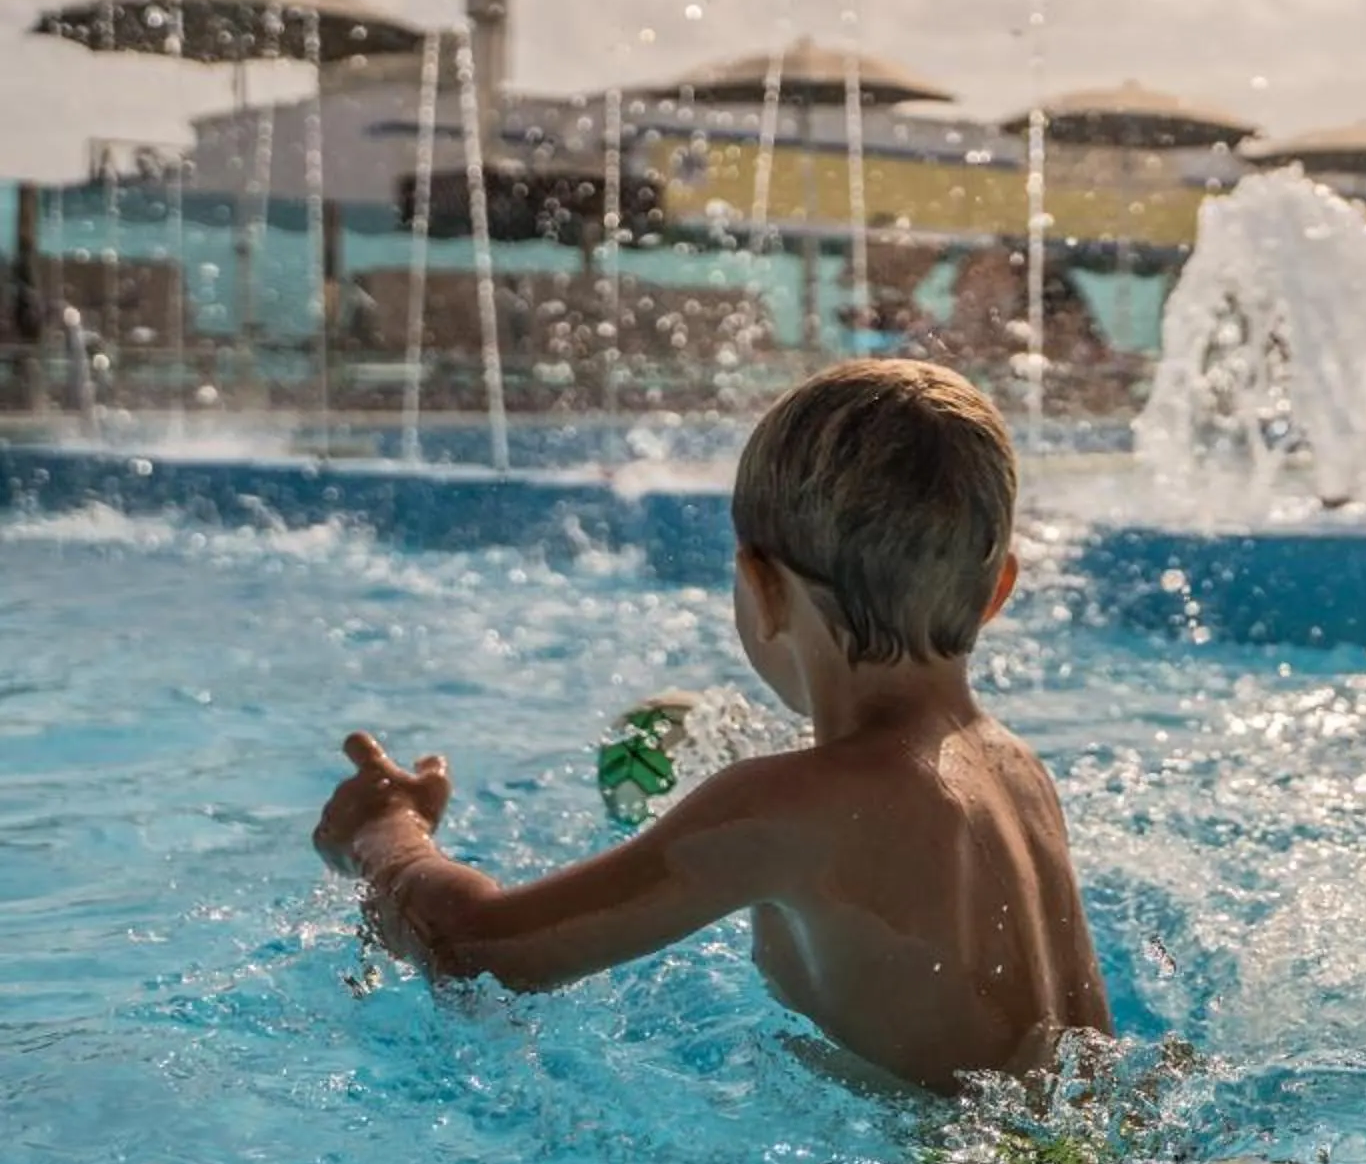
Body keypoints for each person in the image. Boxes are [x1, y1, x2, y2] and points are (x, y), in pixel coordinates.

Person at [311, 359, 1112, 1095]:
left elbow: (476, 951)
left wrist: (388, 837)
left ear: (761, 589)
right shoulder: (1016, 771)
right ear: (998, 588)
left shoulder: (782, 808)